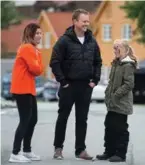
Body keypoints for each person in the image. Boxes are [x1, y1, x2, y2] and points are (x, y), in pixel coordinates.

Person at [50, 9, 102, 160]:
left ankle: (80, 150)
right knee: (63, 117)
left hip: (86, 87)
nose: (87, 24)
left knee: (82, 119)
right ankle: (58, 149)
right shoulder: (64, 41)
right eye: (84, 21)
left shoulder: (92, 40)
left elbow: (98, 62)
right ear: (75, 22)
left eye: (88, 21)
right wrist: (63, 81)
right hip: (69, 86)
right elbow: (54, 62)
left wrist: (95, 80)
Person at [96, 39, 137, 162]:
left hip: (122, 104)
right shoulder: (116, 63)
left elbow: (129, 84)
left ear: (125, 49)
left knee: (120, 129)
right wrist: (108, 94)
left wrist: (116, 95)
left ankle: (120, 154)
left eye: (117, 47)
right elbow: (111, 82)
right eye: (114, 48)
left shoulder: (128, 65)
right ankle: (109, 151)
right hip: (112, 103)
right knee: (109, 126)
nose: (115, 50)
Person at [9, 23, 44, 163]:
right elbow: (36, 69)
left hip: (29, 89)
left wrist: (38, 63)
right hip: (22, 89)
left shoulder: (34, 50)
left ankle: (27, 150)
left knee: (32, 119)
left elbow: (39, 69)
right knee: (25, 120)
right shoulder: (27, 48)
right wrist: (38, 64)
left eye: (41, 33)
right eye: (37, 33)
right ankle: (15, 153)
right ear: (29, 35)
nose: (40, 36)